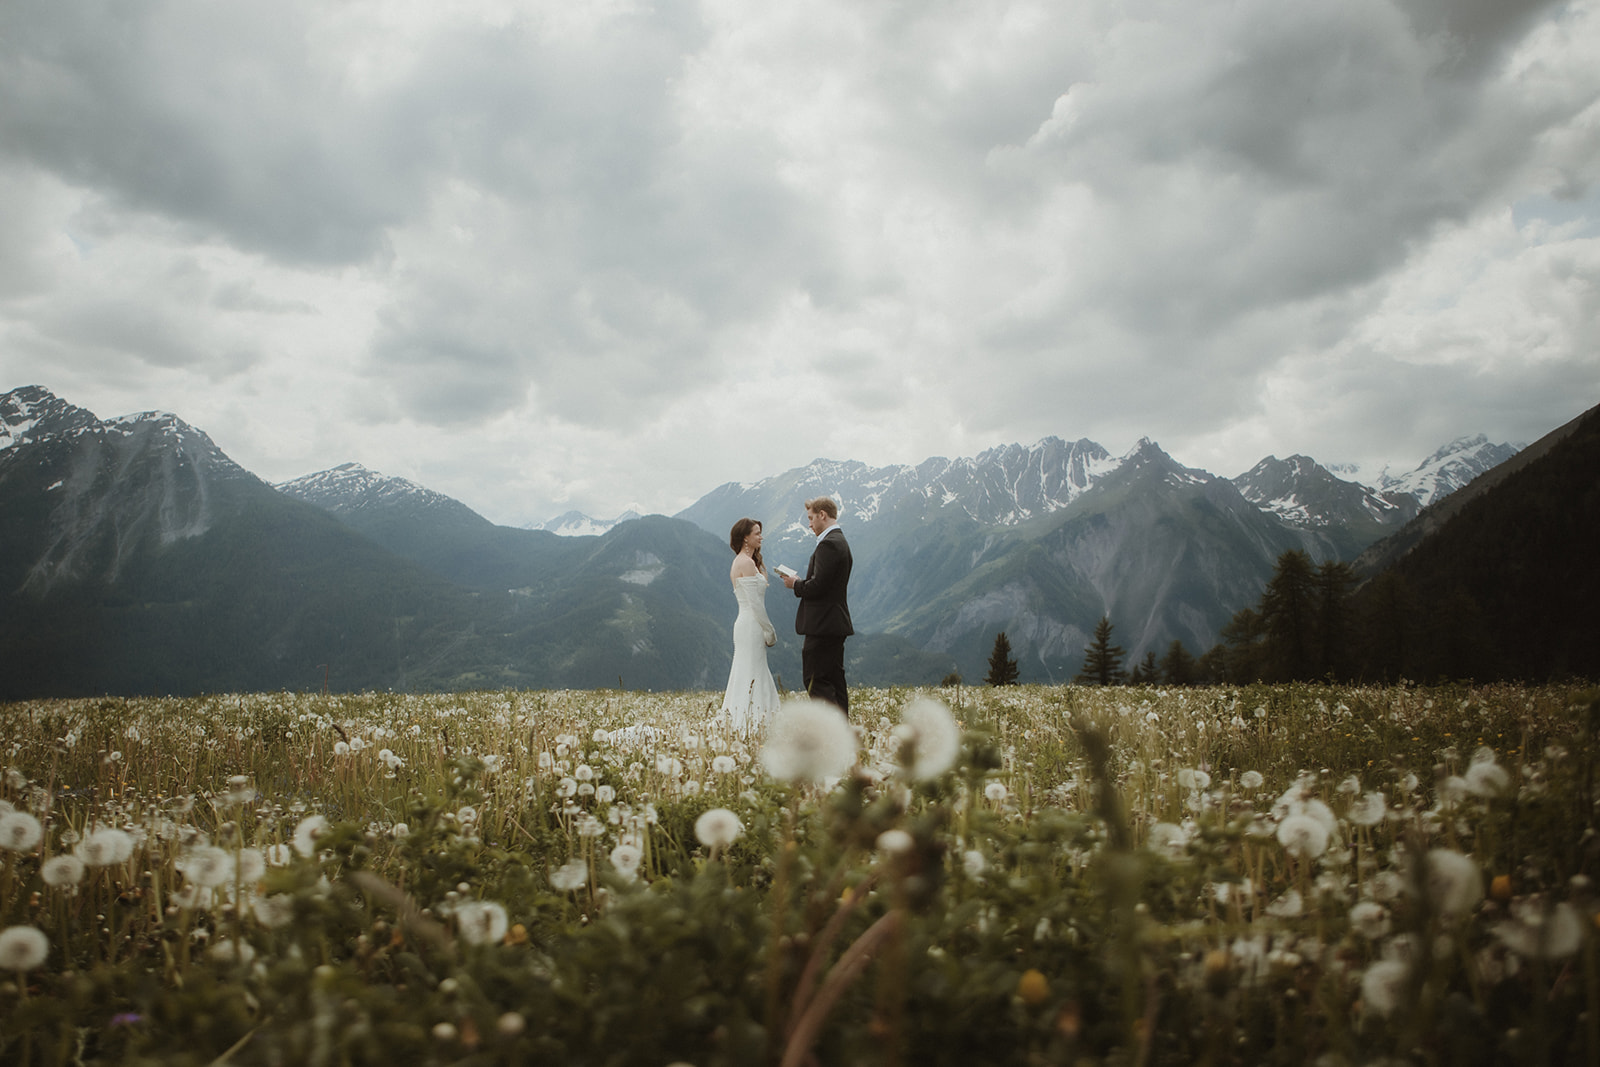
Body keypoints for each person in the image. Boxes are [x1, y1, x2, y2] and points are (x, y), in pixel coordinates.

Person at [782, 496, 853, 715]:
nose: (809, 524)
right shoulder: (840, 540)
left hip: (823, 624)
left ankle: (830, 731)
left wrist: (795, 584)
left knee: (815, 679)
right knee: (834, 679)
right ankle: (843, 730)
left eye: (811, 518)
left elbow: (818, 586)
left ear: (822, 515)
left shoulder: (829, 544)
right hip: (834, 623)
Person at [718, 517, 781, 733]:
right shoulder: (746, 563)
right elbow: (755, 605)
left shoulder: (740, 561)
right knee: (754, 671)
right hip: (752, 624)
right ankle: (756, 724)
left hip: (743, 623)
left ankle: (744, 721)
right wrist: (770, 631)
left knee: (747, 671)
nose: (761, 536)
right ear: (746, 537)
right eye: (756, 533)